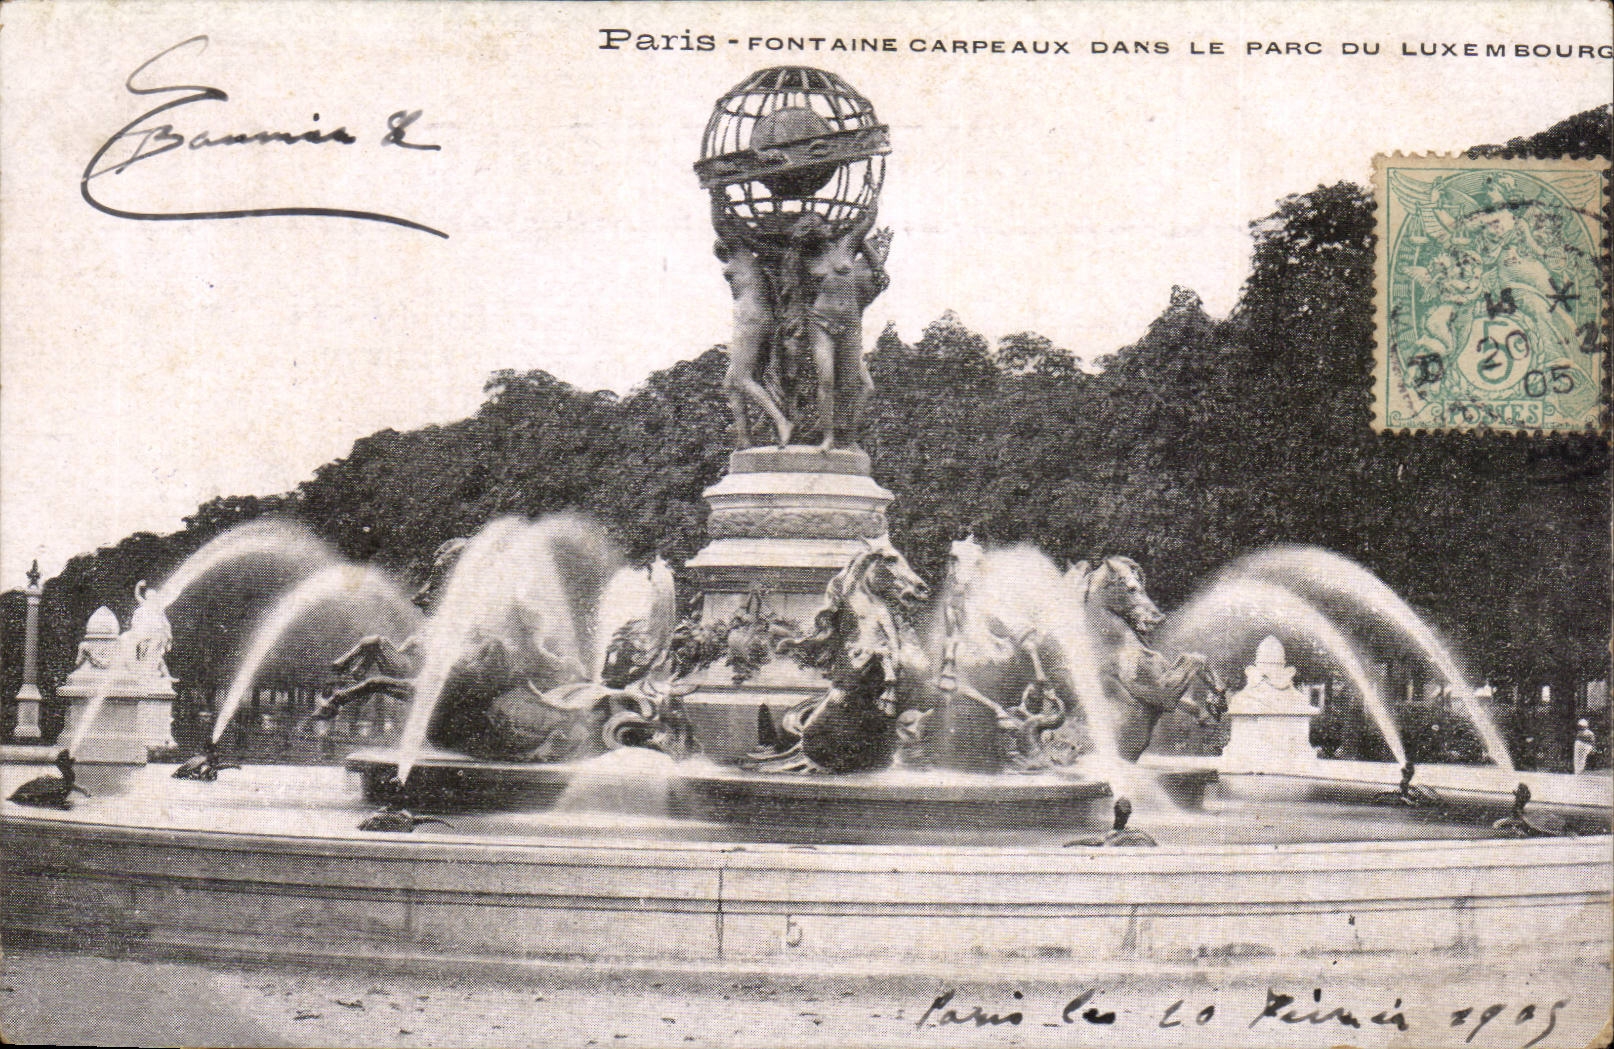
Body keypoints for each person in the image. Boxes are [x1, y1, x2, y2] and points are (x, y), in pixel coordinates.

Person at [789, 206, 890, 452]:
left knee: (849, 384)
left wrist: (874, 193)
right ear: (812, 235)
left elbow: (868, 220)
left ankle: (848, 435)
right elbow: (797, 293)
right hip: (820, 321)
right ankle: (828, 437)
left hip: (850, 324)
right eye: (821, 226)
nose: (828, 227)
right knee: (825, 380)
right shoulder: (804, 260)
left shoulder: (847, 245)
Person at [712, 194, 792, 448]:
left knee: (741, 378)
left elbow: (718, 222)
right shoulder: (747, 258)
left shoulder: (741, 253)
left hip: (751, 318)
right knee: (730, 384)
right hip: (756, 317)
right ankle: (744, 439)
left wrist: (716, 195)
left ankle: (782, 421)